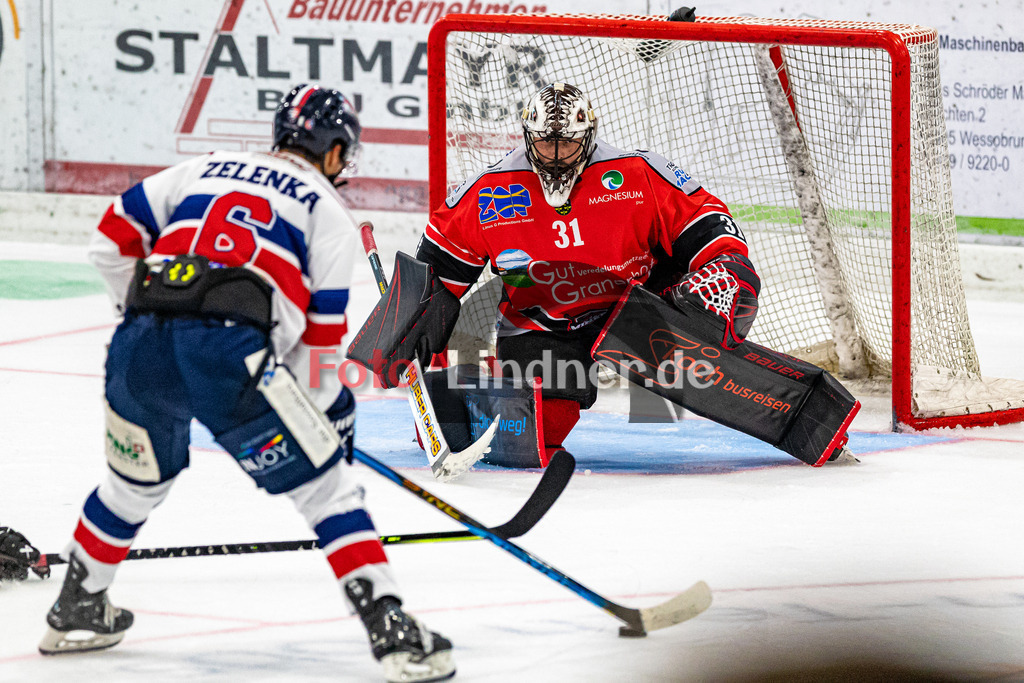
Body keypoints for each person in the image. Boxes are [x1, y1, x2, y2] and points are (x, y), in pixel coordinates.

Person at [38, 84, 455, 683]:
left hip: (139, 346)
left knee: (133, 483)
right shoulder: (326, 210)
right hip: (228, 355)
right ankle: (391, 629)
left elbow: (110, 240)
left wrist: (145, 314)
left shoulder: (201, 169)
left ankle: (77, 603)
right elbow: (317, 350)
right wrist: (327, 426)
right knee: (328, 492)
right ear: (336, 152)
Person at [413, 82, 760, 463]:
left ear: (589, 137)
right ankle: (464, 393)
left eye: (568, 144)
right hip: (542, 326)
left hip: (639, 312)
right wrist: (410, 317)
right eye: (546, 143)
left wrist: (728, 267)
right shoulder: (489, 189)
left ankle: (770, 392)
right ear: (529, 138)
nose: (557, 155)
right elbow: (435, 270)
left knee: (724, 290)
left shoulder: (635, 172)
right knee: (534, 438)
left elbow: (706, 223)